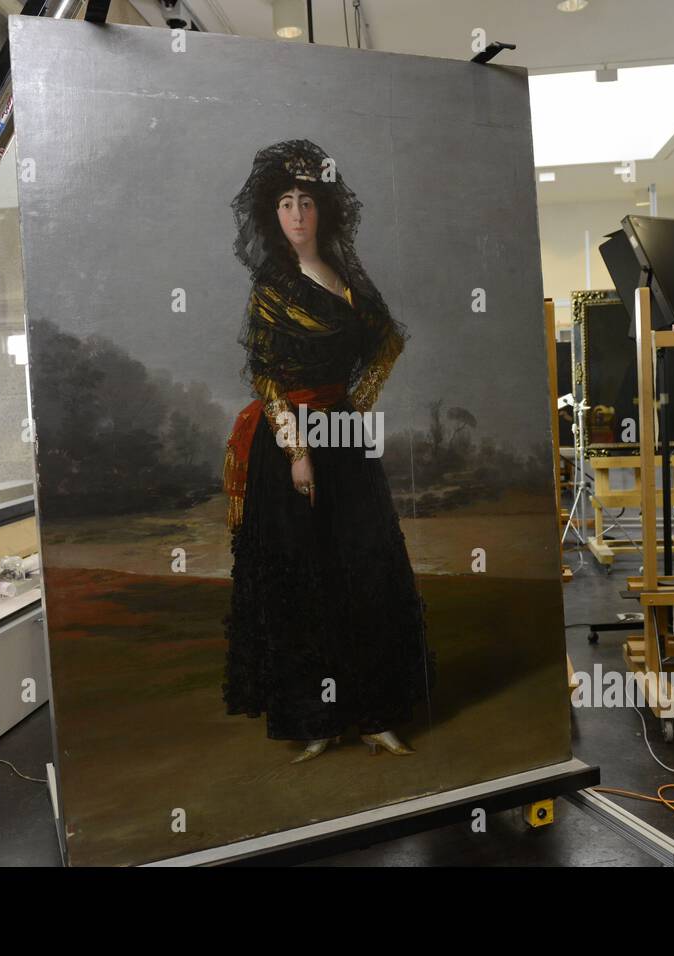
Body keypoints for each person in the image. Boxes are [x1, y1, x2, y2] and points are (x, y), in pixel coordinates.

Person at [222, 139, 435, 763]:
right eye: (286, 203)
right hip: (292, 441)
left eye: (307, 202)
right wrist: (297, 450)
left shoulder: (346, 279)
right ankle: (316, 719)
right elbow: (266, 376)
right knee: (305, 577)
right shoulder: (271, 287)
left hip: (343, 439)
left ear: (324, 210)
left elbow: (386, 342)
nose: (297, 214)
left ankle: (374, 715)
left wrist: (351, 410)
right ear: (273, 213)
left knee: (365, 570)